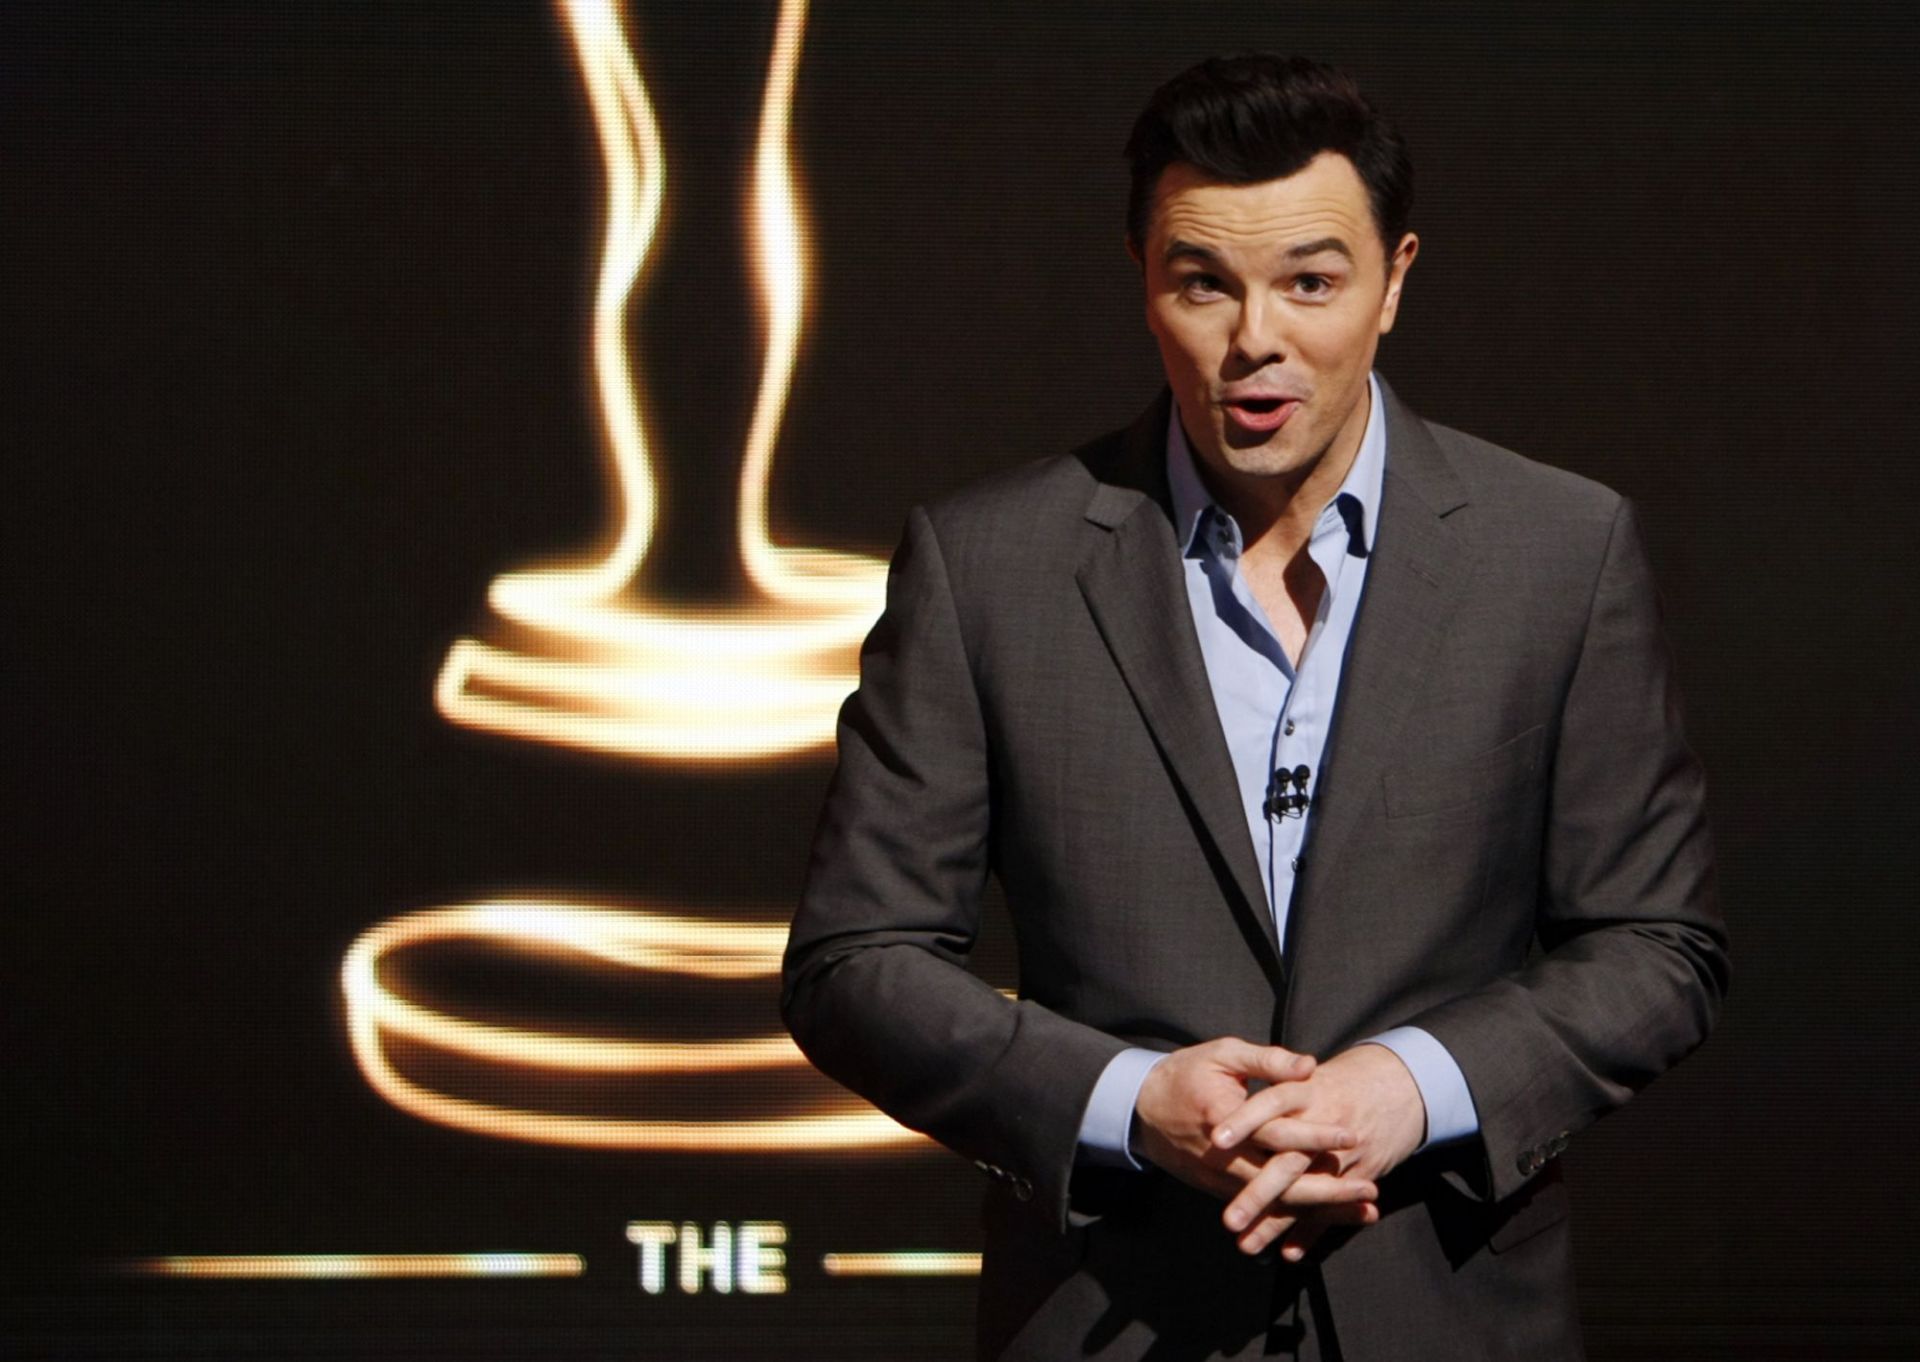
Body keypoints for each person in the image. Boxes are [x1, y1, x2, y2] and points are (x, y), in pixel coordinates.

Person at [782, 53, 1727, 1361]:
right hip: (1112, 1315)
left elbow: (1657, 944)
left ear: (1395, 279)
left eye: (1311, 281)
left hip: (1447, 1318)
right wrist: (1128, 1102)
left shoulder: (1557, 551)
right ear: (1143, 278)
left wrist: (1413, 1086)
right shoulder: (987, 565)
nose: (1255, 340)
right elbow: (854, 964)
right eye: (1202, 283)